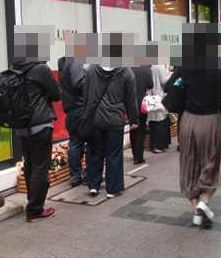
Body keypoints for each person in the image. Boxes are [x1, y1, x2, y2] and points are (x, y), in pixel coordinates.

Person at [179, 63, 221, 227]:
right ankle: (204, 201)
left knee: (190, 164)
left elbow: (170, 86)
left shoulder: (184, 65)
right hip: (210, 120)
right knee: (211, 161)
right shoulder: (217, 66)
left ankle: (196, 213)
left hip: (188, 120)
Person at [11, 38, 62, 222]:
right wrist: (45, 93)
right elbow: (57, 94)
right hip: (39, 124)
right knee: (41, 166)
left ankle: (31, 201)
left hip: (21, 126)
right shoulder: (40, 69)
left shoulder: (14, 68)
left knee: (30, 164)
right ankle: (35, 210)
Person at [83, 64, 138, 198]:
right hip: (115, 119)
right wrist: (134, 119)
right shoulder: (126, 71)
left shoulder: (92, 69)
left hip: (95, 118)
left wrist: (87, 115)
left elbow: (85, 94)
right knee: (114, 154)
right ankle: (112, 188)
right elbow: (131, 98)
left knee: (95, 152)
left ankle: (93, 185)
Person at [58, 56, 87, 186]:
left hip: (71, 110)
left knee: (75, 142)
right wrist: (91, 79)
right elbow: (78, 84)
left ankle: (75, 175)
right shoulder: (75, 61)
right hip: (80, 108)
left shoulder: (64, 64)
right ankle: (90, 174)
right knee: (92, 142)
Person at [130, 65, 153, 163]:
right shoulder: (146, 69)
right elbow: (150, 85)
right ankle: (138, 156)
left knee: (132, 128)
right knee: (140, 130)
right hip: (142, 104)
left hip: (130, 104)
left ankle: (134, 153)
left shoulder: (127, 67)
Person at [148, 64, 171, 153]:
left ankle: (153, 144)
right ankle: (159, 145)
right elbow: (165, 82)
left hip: (152, 97)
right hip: (160, 97)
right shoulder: (160, 66)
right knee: (160, 120)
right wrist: (170, 76)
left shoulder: (152, 66)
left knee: (153, 122)